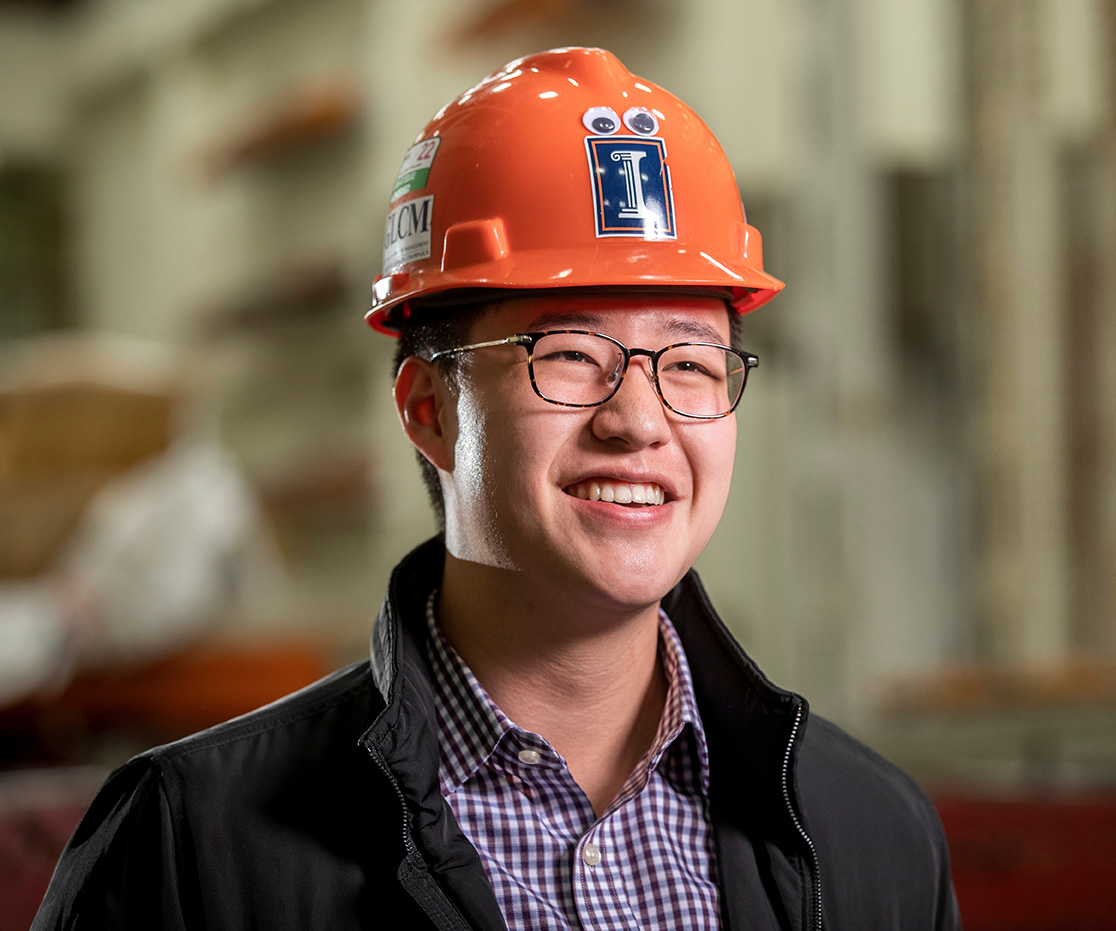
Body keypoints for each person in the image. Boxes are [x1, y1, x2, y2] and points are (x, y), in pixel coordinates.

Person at [35, 47, 959, 930]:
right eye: (568, 355)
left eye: (688, 363)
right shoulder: (194, 848)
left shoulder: (867, 836)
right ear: (428, 407)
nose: (639, 419)